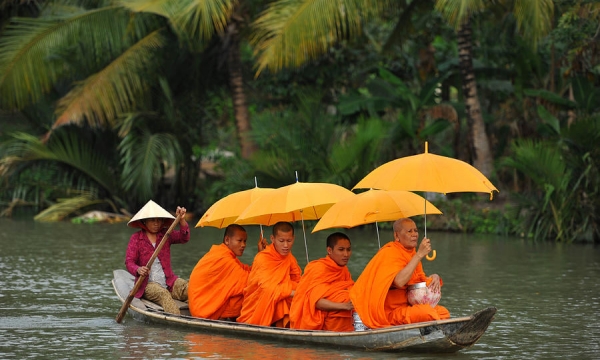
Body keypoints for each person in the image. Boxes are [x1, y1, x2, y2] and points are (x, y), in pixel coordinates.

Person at [349, 218, 450, 329]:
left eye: (416, 230)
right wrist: (419, 255)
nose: (414, 234)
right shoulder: (389, 253)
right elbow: (399, 282)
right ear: (397, 236)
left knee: (443, 313)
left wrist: (434, 277)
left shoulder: (411, 253)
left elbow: (418, 282)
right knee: (427, 313)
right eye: (409, 231)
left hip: (408, 306)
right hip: (390, 312)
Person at [188, 224, 267, 320]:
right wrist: (263, 257)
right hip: (202, 309)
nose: (243, 245)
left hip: (201, 303)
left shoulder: (226, 255)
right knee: (253, 294)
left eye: (245, 241)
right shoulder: (223, 259)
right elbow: (251, 281)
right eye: (239, 241)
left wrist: (261, 254)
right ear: (227, 240)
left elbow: (248, 271)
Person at [125, 200, 190, 315]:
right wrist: (138, 269)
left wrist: (182, 220)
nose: (157, 223)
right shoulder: (136, 238)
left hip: (169, 282)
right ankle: (177, 321)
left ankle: (204, 314)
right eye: (152, 220)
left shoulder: (166, 234)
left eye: (159, 220)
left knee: (190, 288)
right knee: (163, 294)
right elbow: (129, 262)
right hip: (147, 285)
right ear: (144, 221)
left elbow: (183, 238)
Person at [237, 221, 302, 327]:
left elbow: (297, 280)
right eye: (281, 241)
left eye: (289, 241)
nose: (286, 245)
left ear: (293, 239)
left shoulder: (290, 258)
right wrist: (293, 292)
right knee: (281, 299)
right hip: (258, 306)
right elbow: (267, 288)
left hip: (281, 297)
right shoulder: (262, 258)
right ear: (273, 239)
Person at [290, 232, 355, 331]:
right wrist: (344, 306)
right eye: (341, 250)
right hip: (317, 318)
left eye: (348, 250)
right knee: (344, 298)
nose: (346, 254)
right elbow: (315, 302)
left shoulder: (343, 270)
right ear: (329, 250)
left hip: (342, 316)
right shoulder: (319, 269)